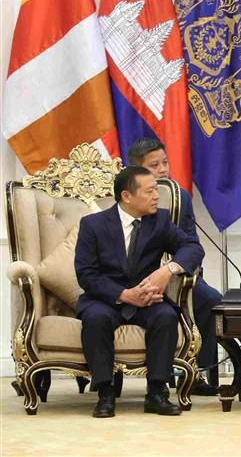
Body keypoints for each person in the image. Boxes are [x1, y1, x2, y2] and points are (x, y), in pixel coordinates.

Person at [75, 166, 204, 418]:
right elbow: (87, 275)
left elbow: (192, 247)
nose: (157, 196)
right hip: (106, 298)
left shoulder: (159, 221)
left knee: (165, 316)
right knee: (96, 319)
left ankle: (157, 392)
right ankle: (104, 393)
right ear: (127, 196)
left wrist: (168, 271)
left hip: (148, 298)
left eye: (156, 189)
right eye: (150, 191)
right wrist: (124, 294)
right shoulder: (93, 225)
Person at [127, 138, 221, 396]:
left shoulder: (181, 197)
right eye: (154, 165)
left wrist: (172, 271)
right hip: (132, 276)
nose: (163, 170)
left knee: (210, 299)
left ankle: (198, 371)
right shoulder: (125, 196)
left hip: (174, 274)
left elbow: (192, 247)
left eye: (165, 163)